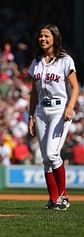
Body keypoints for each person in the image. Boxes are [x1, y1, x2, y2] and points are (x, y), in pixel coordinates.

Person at [28, 24, 79, 210]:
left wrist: (70, 107)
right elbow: (33, 93)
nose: (42, 39)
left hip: (59, 110)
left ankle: (63, 195)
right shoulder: (36, 62)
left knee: (52, 154)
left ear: (55, 38)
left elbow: (75, 87)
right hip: (41, 111)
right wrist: (31, 116)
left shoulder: (65, 60)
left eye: (46, 36)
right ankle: (53, 198)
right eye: (41, 36)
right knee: (45, 158)